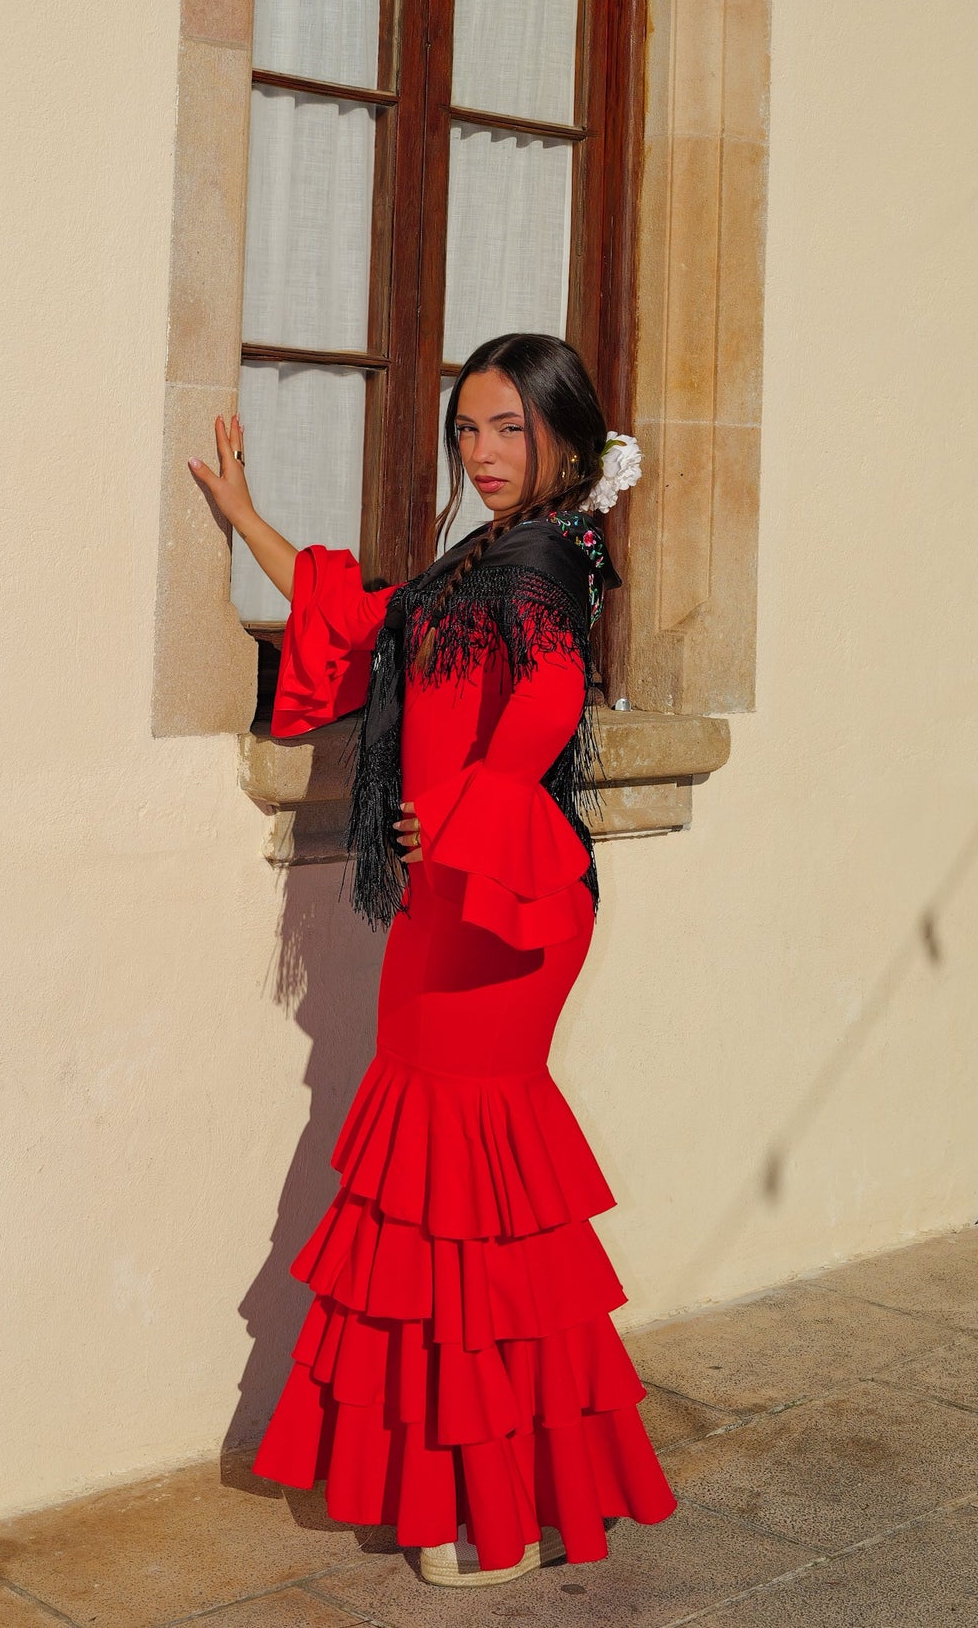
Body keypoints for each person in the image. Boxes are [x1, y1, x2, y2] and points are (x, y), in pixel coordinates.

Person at [189, 332, 674, 1588]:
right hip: (443, 896)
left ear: (563, 436)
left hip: (505, 897)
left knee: (476, 1196)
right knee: (433, 1194)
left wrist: (469, 812)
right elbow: (355, 624)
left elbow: (549, 701)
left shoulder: (547, 562)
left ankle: (493, 1506)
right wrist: (244, 514)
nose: (484, 452)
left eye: (509, 427)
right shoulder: (470, 564)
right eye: (468, 429)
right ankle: (450, 1483)